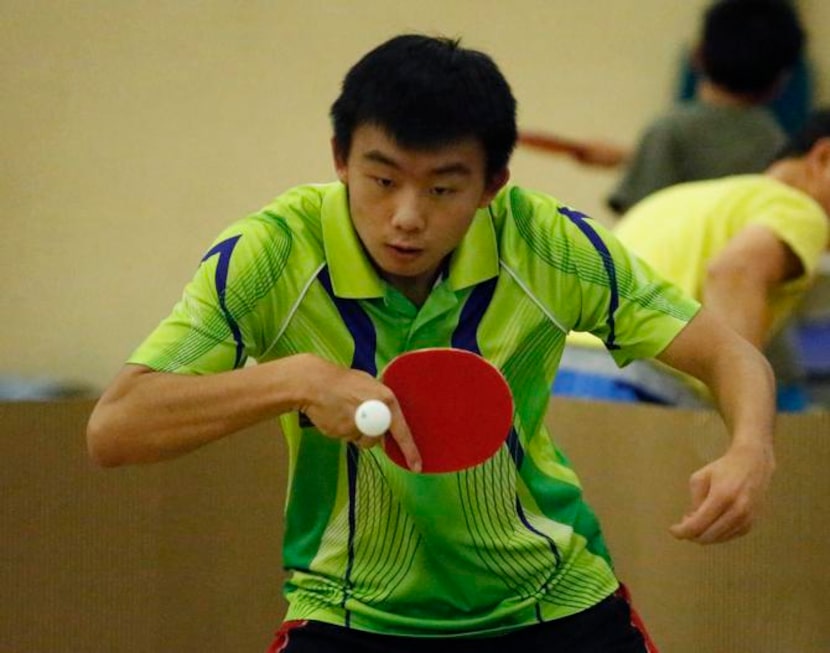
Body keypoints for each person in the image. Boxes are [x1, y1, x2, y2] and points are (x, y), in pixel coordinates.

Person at [87, 34, 777, 653]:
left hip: (553, 603)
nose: (407, 218)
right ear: (340, 158)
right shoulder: (273, 255)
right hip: (350, 611)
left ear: (492, 185)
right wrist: (295, 379)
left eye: (443, 187)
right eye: (382, 180)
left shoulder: (550, 245)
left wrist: (750, 446)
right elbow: (116, 427)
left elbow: (728, 354)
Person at [555, 109, 830, 407]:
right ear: (823, 158)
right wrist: (746, 413)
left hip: (556, 364)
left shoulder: (680, 197)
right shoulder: (802, 211)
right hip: (638, 379)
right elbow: (734, 272)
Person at [607, 0, 805, 216]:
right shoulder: (778, 142)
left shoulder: (668, 131)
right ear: (781, 80)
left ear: (698, 54)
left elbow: (636, 222)